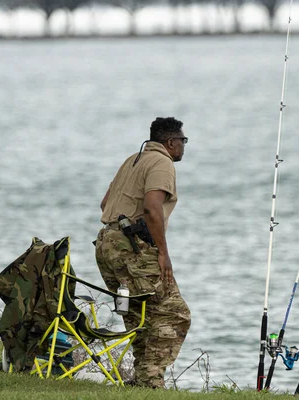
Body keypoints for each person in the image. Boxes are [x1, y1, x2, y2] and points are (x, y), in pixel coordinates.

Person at [94, 117, 191, 389]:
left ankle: (142, 380)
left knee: (139, 314)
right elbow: (151, 208)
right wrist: (162, 253)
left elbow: (105, 203)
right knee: (175, 313)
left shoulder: (133, 159)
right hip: (131, 246)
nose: (184, 146)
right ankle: (150, 380)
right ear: (170, 142)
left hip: (105, 243)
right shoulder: (162, 162)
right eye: (183, 141)